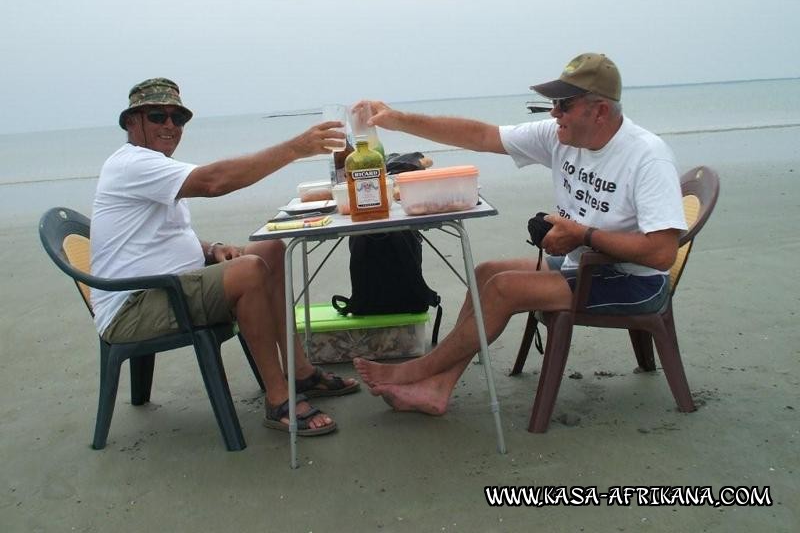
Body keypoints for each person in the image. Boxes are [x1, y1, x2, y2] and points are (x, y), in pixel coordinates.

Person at [353, 53, 687, 416]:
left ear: (600, 111)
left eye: (564, 105)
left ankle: (416, 370)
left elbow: (661, 254)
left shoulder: (647, 158)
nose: (554, 113)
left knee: (503, 289)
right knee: (486, 273)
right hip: (584, 266)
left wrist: (581, 234)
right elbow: (481, 136)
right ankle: (438, 387)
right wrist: (400, 121)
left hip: (633, 281)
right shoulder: (562, 137)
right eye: (552, 104)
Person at [92, 77, 359, 436]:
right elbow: (215, 181)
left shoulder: (151, 167)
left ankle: (302, 372)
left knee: (270, 248)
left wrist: (212, 249)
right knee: (249, 271)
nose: (170, 125)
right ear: (131, 122)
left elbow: (161, 236)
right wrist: (296, 148)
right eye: (157, 116)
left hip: (170, 287)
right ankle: (278, 398)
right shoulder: (132, 164)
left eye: (178, 118)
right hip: (137, 307)